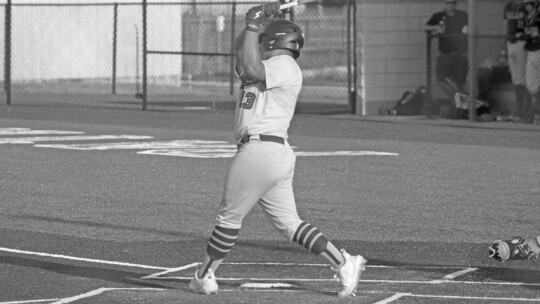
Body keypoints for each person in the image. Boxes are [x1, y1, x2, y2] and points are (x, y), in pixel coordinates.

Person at [188, 1, 367, 298]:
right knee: (290, 224)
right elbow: (242, 54)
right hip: (272, 154)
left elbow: (251, 66)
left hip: (260, 152)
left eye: (262, 38)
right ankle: (345, 262)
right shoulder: (264, 64)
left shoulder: (283, 65)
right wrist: (253, 23)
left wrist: (254, 23)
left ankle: (204, 276)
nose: (258, 42)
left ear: (273, 40)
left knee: (229, 218)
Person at [424, 0, 469, 101]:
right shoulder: (438, 16)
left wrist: (469, 30)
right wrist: (436, 27)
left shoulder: (463, 15)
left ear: (456, 4)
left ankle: (460, 103)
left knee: (460, 82)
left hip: (460, 54)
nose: (450, 5)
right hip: (445, 55)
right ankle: (457, 97)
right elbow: (425, 27)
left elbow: (474, 30)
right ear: (445, 3)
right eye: (448, 2)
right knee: (441, 79)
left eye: (452, 3)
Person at [503, 0, 531, 120]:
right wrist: (503, 45)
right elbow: (504, 26)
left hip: (521, 43)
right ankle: (519, 108)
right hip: (510, 43)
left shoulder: (527, 6)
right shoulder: (508, 6)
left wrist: (525, 35)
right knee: (515, 77)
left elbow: (532, 24)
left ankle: (526, 108)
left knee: (523, 77)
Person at [520, 0, 540, 123]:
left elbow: (536, 34)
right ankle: (534, 110)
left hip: (538, 51)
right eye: (525, 4)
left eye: (529, 3)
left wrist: (531, 36)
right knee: (531, 84)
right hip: (530, 51)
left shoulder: (538, 17)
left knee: (535, 83)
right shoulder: (526, 17)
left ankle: (535, 111)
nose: (526, 6)